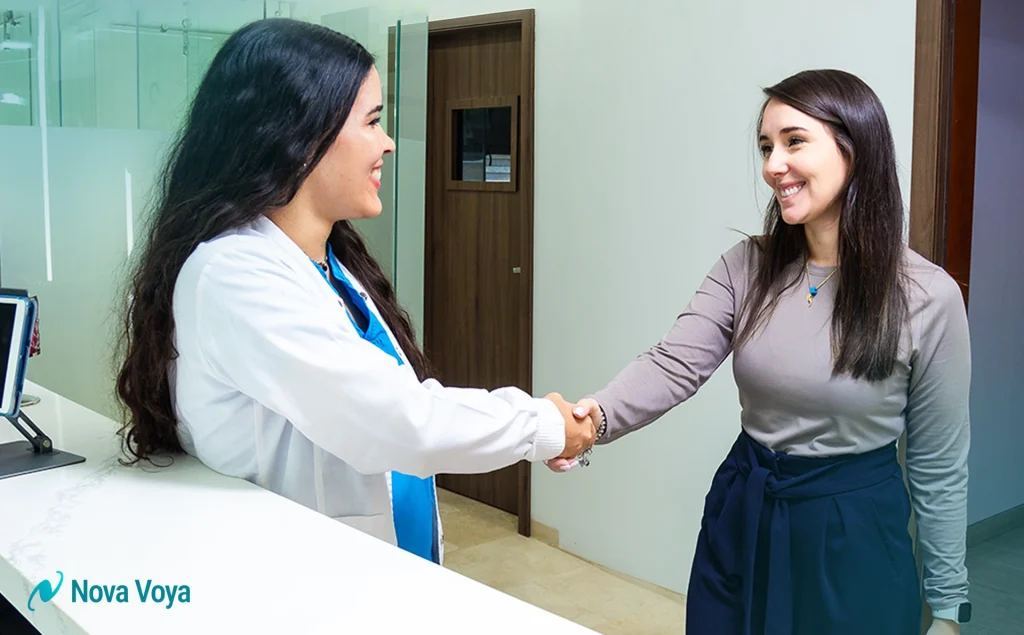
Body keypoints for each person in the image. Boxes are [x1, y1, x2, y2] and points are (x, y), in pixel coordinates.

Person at [113, 18, 596, 566]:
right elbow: (398, 421)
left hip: (387, 571)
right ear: (298, 138)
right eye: (371, 122)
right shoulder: (234, 274)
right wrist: (544, 425)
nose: (388, 144)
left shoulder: (331, 263)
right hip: (305, 585)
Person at [550, 69, 971, 635]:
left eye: (795, 141)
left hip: (852, 532)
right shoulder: (747, 266)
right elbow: (674, 364)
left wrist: (947, 607)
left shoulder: (928, 296)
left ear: (857, 148)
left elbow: (937, 465)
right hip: (744, 512)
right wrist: (590, 419)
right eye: (767, 147)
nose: (774, 165)